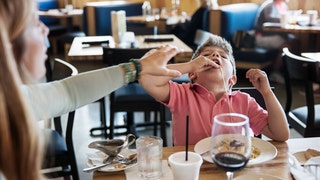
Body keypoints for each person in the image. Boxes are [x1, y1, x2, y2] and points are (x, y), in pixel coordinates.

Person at [0, 0, 182, 179]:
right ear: (7, 42)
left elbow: (68, 92)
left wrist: (137, 68)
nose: (45, 29)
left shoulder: (10, 100)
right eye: (33, 22)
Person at [139, 34, 290, 146]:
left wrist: (267, 92)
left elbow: (281, 134)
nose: (215, 55)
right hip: (194, 170)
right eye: (205, 56)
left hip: (233, 168)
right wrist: (189, 65)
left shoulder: (245, 102)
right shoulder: (182, 94)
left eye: (223, 57)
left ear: (232, 79)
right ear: (193, 74)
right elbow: (147, 77)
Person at [254, 0, 297, 83]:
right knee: (286, 46)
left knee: (295, 41)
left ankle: (292, 73)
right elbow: (269, 19)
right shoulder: (269, 5)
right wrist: (287, 19)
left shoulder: (284, 6)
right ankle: (275, 73)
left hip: (276, 35)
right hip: (262, 37)